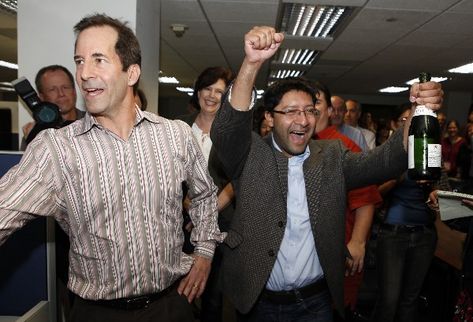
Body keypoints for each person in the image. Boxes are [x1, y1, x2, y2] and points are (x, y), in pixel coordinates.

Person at [0, 14, 224, 322]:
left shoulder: (175, 136)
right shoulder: (57, 149)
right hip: (98, 313)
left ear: (131, 73)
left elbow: (204, 194)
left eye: (98, 60)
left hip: (172, 306)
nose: (84, 73)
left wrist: (204, 253)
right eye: (79, 61)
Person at [210, 26, 443, 322]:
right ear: (269, 116)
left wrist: (418, 110)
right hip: (258, 304)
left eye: (309, 110)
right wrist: (252, 63)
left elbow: (385, 162)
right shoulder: (251, 155)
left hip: (316, 302)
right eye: (291, 111)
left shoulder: (331, 155)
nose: (303, 120)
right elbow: (228, 130)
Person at [312, 81, 382, 320]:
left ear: (330, 111)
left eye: (316, 101)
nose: (309, 106)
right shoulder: (293, 145)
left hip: (337, 252)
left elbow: (365, 199)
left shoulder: (344, 147)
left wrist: (358, 242)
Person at [372, 104, 439, 322]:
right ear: (395, 124)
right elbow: (371, 196)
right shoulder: (385, 156)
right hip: (393, 234)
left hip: (424, 235)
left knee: (410, 299)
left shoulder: (431, 151)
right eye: (404, 120)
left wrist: (435, 195)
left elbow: (442, 190)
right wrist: (396, 178)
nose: (411, 124)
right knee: (389, 300)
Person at [178, 66, 234, 322]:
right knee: (178, 292)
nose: (212, 96)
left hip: (221, 223)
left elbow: (236, 181)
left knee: (213, 296)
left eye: (219, 91)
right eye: (207, 89)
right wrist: (187, 206)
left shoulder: (234, 134)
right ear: (198, 91)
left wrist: (205, 213)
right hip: (179, 223)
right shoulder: (177, 128)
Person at [21, 65, 85, 149]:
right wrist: (33, 144)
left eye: (65, 87)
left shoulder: (94, 124)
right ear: (41, 97)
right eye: (52, 90)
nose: (61, 94)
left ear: (74, 91)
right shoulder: (36, 133)